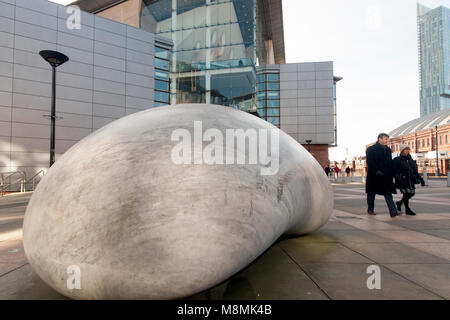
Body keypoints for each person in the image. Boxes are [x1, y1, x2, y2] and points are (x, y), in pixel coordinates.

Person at [365, 133, 399, 217]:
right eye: (385, 139)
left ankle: (393, 211)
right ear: (379, 139)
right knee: (371, 193)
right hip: (374, 176)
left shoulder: (388, 150)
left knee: (388, 193)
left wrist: (394, 173)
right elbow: (370, 162)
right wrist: (376, 171)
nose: (387, 140)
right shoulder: (371, 149)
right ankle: (370, 209)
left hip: (386, 176)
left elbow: (390, 162)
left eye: (387, 139)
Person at [393, 144, 425, 216]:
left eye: (408, 149)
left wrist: (421, 179)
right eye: (405, 149)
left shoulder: (411, 160)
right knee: (407, 193)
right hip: (402, 180)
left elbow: (415, 171)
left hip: (411, 180)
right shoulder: (397, 160)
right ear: (402, 150)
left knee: (411, 193)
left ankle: (400, 203)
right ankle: (407, 209)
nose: (407, 151)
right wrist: (398, 176)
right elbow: (394, 170)